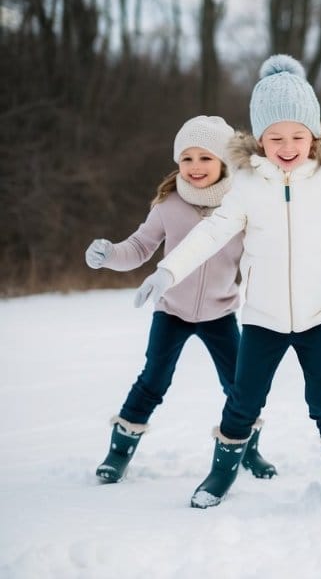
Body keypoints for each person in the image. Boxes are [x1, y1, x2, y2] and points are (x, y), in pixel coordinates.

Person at [133, 55, 321, 509]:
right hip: (264, 314)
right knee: (243, 399)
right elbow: (210, 233)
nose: (287, 146)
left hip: (320, 311)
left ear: (313, 136)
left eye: (297, 136)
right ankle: (220, 474)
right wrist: (167, 270)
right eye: (275, 137)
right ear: (260, 139)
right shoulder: (245, 185)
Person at [85, 115, 276, 484]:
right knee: (152, 381)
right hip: (171, 311)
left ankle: (247, 450)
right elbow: (140, 247)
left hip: (220, 313)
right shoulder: (168, 205)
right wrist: (109, 254)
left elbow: (260, 255)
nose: (195, 167)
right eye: (186, 158)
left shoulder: (240, 207)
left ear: (223, 161)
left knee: (241, 387)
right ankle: (118, 453)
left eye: (205, 158)